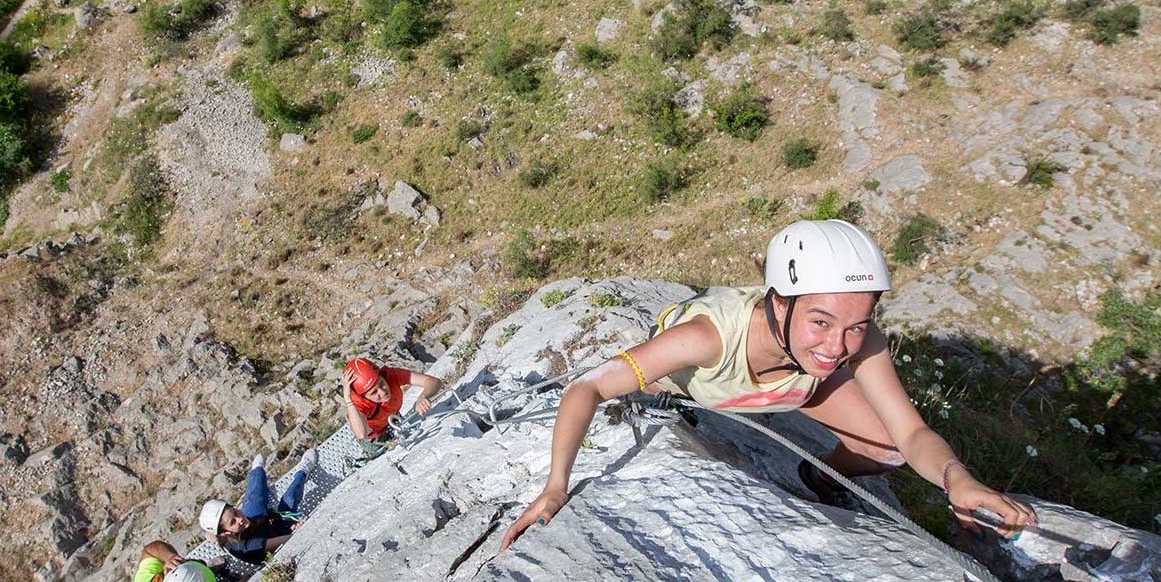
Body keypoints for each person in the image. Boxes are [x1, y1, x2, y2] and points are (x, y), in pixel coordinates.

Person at [500, 219, 1036, 551]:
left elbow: (912, 433)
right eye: (821, 321)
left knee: (886, 448)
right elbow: (586, 389)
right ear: (777, 301)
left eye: (856, 325)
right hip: (708, 385)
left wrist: (955, 478)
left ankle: (819, 475)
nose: (837, 347)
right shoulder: (705, 339)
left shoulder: (854, 342)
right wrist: (555, 486)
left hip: (793, 389)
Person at [200, 452, 312, 565]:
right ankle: (302, 472)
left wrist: (214, 534)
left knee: (256, 492)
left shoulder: (224, 534)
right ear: (226, 533)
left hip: (253, 526)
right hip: (274, 536)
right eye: (233, 522)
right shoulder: (249, 547)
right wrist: (298, 530)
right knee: (289, 500)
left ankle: (257, 470)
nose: (240, 519)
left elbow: (209, 534)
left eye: (235, 512)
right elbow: (288, 539)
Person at [343, 357, 443, 442]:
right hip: (375, 438)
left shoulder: (391, 376)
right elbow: (361, 435)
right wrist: (348, 399)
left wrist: (423, 396)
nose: (382, 392)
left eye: (381, 384)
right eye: (374, 392)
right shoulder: (359, 404)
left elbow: (433, 381)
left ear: (381, 376)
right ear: (363, 396)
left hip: (393, 419)